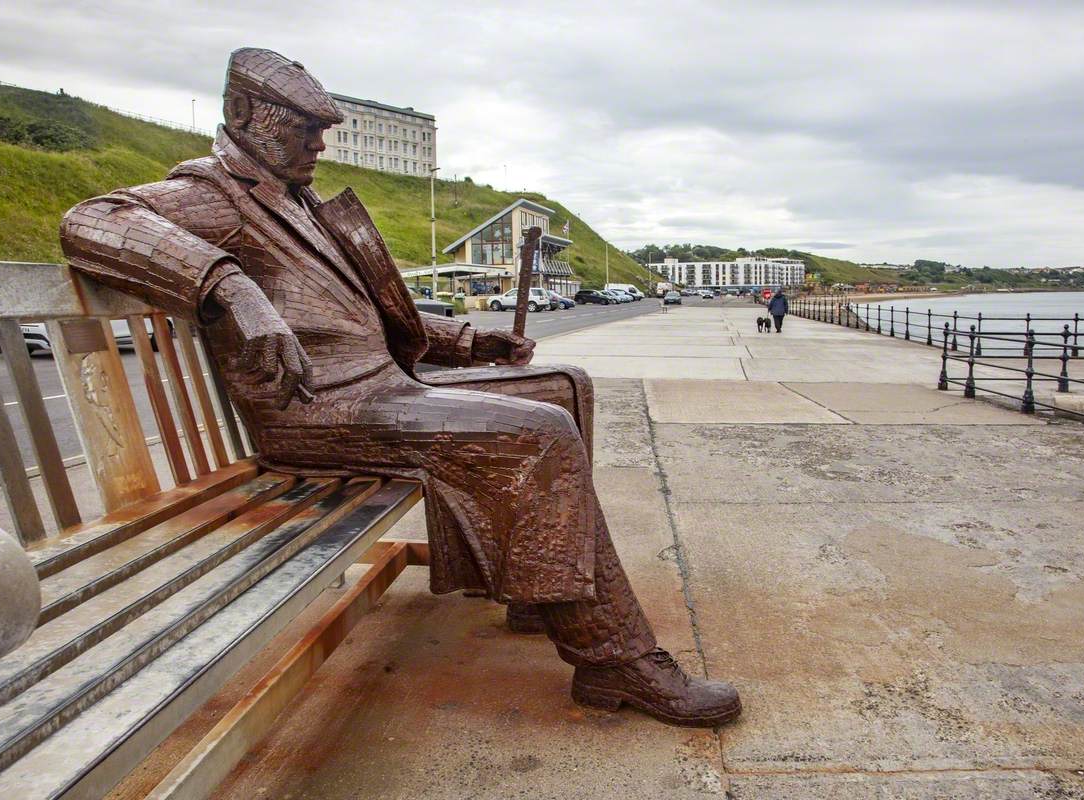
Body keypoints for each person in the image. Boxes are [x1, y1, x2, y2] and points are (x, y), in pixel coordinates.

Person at [59, 48, 739, 728]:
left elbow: (377, 321)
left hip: (377, 389)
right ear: (240, 113)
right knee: (538, 433)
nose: (320, 142)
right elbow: (91, 219)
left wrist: (473, 343)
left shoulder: (298, 203)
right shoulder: (213, 195)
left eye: (321, 127)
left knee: (563, 387)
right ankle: (613, 659)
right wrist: (229, 285)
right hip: (316, 409)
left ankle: (542, 589)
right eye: (302, 126)